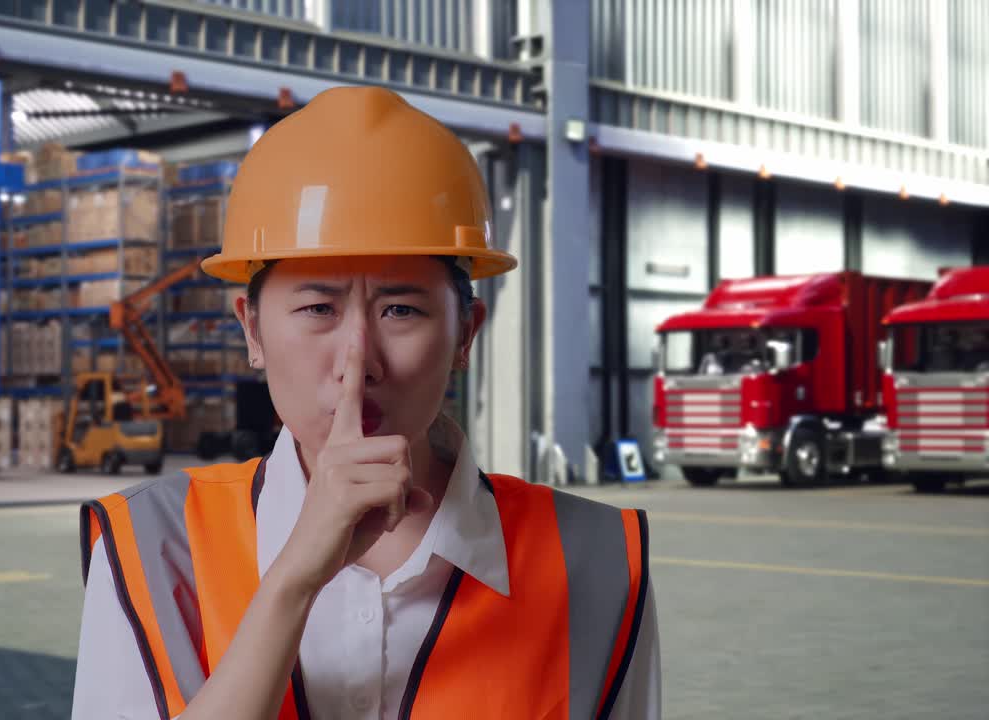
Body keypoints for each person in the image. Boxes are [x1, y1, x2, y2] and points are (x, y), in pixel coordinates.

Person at [71, 86, 660, 720]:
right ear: (253, 331)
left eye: (400, 310)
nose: (358, 360)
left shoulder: (596, 559)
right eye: (317, 308)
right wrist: (294, 580)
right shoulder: (155, 545)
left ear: (465, 334)